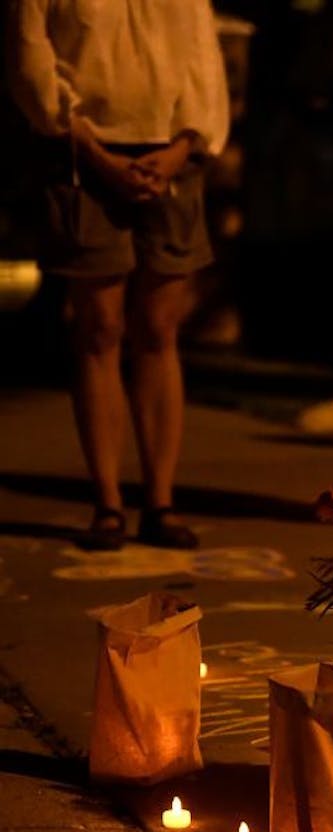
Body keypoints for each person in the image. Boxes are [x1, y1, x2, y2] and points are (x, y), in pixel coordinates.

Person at [7, 0, 230, 550]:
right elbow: (32, 65)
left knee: (158, 328)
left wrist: (182, 149)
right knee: (100, 326)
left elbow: (203, 64)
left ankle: (160, 499)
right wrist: (97, 154)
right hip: (83, 155)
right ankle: (107, 501)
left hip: (170, 156)